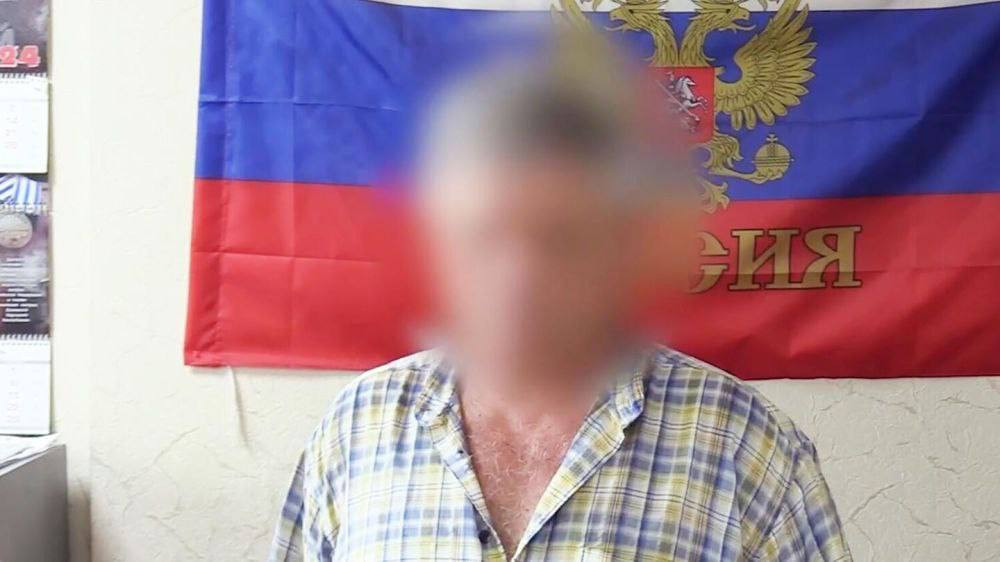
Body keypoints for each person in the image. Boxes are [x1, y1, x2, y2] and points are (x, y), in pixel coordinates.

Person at [268, 45, 852, 562]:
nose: (520, 277)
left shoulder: (747, 444)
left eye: (560, 239)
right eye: (486, 236)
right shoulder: (358, 426)